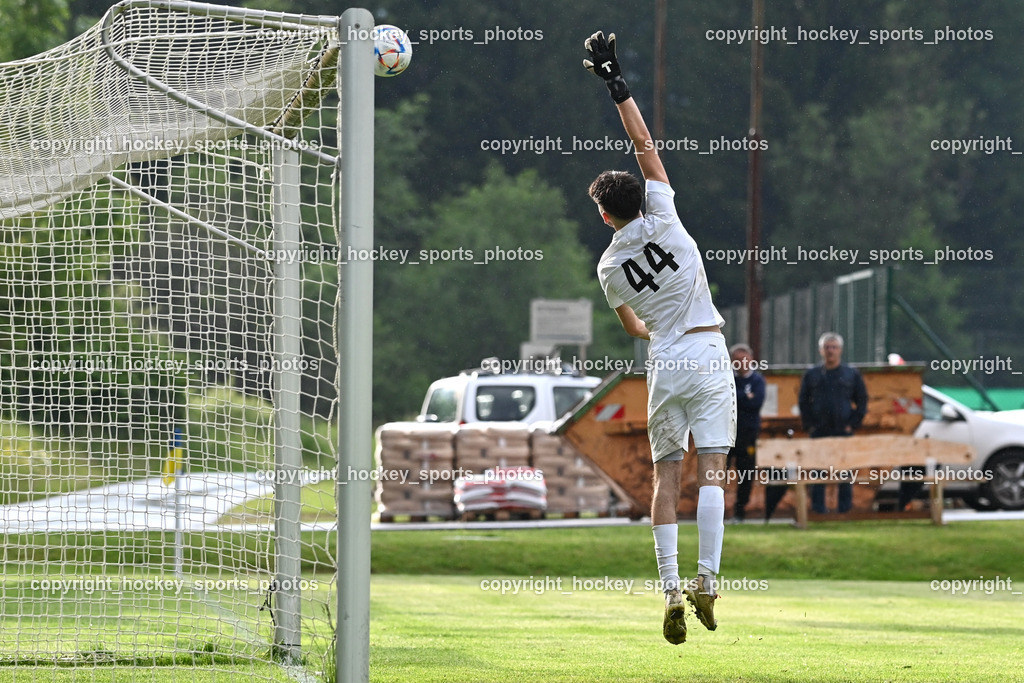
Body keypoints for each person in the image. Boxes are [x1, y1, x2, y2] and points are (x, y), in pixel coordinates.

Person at [584, 31, 736, 645]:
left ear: (604, 217)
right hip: (706, 348)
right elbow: (644, 144)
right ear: (643, 198)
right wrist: (616, 82)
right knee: (715, 473)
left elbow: (632, 325)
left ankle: (669, 588)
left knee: (666, 480)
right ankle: (707, 580)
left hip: (665, 361)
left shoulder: (607, 267)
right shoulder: (667, 217)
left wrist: (655, 325)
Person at [798, 332, 868, 514]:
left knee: (845, 471)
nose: (831, 351)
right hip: (819, 430)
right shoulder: (812, 374)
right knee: (818, 472)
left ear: (840, 350)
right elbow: (803, 402)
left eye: (834, 347)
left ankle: (844, 510)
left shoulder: (851, 374)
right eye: (827, 347)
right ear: (821, 350)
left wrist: (853, 424)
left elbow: (862, 401)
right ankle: (818, 510)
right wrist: (810, 425)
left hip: (843, 430)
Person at [726, 344, 765, 523]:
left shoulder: (757, 381)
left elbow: (755, 403)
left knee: (746, 474)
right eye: (737, 360)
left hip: (748, 435)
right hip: (726, 434)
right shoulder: (726, 378)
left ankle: (740, 512)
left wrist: (736, 395)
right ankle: (715, 512)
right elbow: (724, 400)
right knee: (718, 473)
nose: (741, 364)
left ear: (751, 360)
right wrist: (744, 396)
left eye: (744, 360)